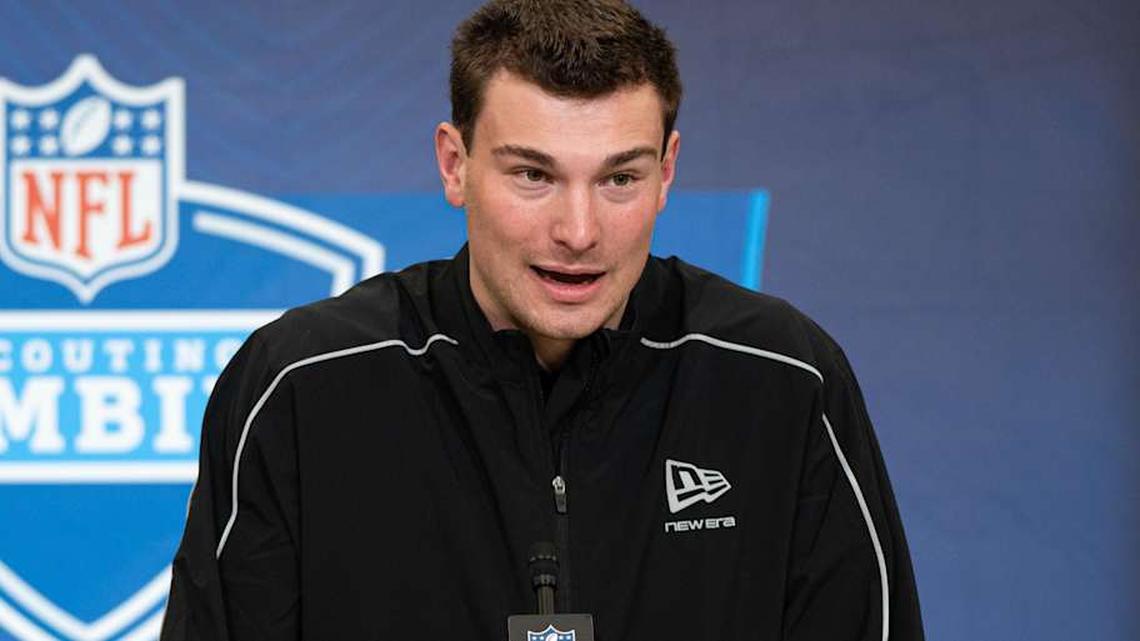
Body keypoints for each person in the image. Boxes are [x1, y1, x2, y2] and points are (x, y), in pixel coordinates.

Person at [160, 1, 924, 639]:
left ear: (668, 172)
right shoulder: (301, 384)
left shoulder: (784, 380)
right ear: (454, 165)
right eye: (534, 174)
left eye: (620, 177)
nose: (580, 230)